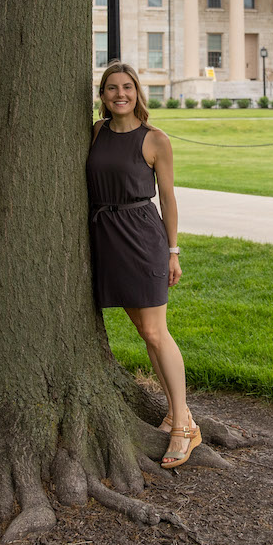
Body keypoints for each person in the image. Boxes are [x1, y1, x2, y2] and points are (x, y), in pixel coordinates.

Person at [87, 61, 197, 468]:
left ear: (138, 93)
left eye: (128, 87)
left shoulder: (155, 140)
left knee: (154, 330)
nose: (120, 94)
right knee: (143, 330)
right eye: (112, 88)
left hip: (142, 237)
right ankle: (173, 409)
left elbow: (168, 200)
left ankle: (184, 424)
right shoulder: (96, 133)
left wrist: (173, 251)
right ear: (102, 96)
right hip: (107, 238)